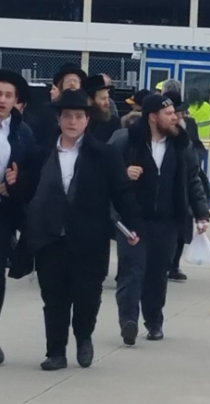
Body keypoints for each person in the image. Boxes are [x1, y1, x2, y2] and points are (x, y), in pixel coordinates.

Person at [26, 90, 140, 371]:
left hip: (90, 238)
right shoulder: (41, 151)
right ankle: (55, 352)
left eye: (79, 116)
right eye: (67, 116)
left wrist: (134, 224)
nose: (72, 122)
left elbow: (122, 193)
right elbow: (27, 190)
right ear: (59, 119)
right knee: (53, 298)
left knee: (87, 295)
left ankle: (84, 338)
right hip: (50, 237)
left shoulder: (104, 154)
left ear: (87, 121)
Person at [109, 94, 210, 345]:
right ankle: (128, 322)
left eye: (175, 113)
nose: (175, 117)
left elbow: (193, 181)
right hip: (133, 219)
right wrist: (123, 174)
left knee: (156, 275)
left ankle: (154, 322)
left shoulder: (181, 145)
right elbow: (104, 173)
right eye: (168, 113)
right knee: (131, 272)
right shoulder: (126, 140)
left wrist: (201, 214)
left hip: (167, 221)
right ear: (152, 117)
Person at [0, 70, 36, 366]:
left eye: (8, 95)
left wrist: (16, 178)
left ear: (16, 100)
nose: (2, 100)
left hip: (4, 213)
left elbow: (30, 172)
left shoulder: (22, 132)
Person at [162, 91, 210, 282]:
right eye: (174, 112)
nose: (178, 117)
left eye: (180, 113)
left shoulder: (188, 125)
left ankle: (174, 265)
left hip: (184, 180)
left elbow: (199, 147)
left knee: (182, 226)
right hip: (164, 183)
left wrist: (193, 158)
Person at [84, 75, 121, 143]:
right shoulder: (80, 123)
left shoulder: (114, 123)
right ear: (90, 100)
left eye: (107, 98)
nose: (107, 102)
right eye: (103, 99)